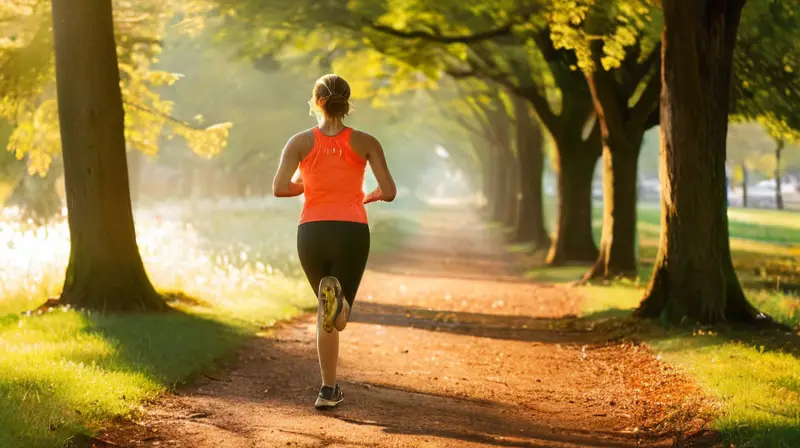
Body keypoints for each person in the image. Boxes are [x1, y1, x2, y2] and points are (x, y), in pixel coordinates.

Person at [272, 74, 397, 410]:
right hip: (351, 230)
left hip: (311, 231)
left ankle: (328, 390)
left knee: (323, 312)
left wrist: (308, 183)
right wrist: (368, 196)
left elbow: (280, 188)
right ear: (347, 103)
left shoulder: (299, 142)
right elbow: (389, 191)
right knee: (338, 315)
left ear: (316, 102)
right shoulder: (366, 141)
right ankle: (339, 305)